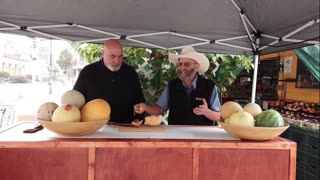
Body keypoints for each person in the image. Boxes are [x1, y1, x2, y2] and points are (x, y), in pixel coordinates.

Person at [134, 46, 221, 125]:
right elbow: (159, 109)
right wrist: (145, 107)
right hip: (176, 136)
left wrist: (206, 112)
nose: (182, 67)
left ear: (196, 66)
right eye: (180, 64)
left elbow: (219, 116)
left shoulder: (209, 86)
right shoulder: (172, 85)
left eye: (186, 64)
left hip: (200, 137)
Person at [73, 39, 145, 124]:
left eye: (120, 56)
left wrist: (139, 118)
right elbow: (76, 101)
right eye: (113, 56)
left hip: (125, 128)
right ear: (102, 53)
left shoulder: (130, 72)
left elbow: (139, 101)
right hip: (95, 129)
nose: (117, 61)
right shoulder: (88, 72)